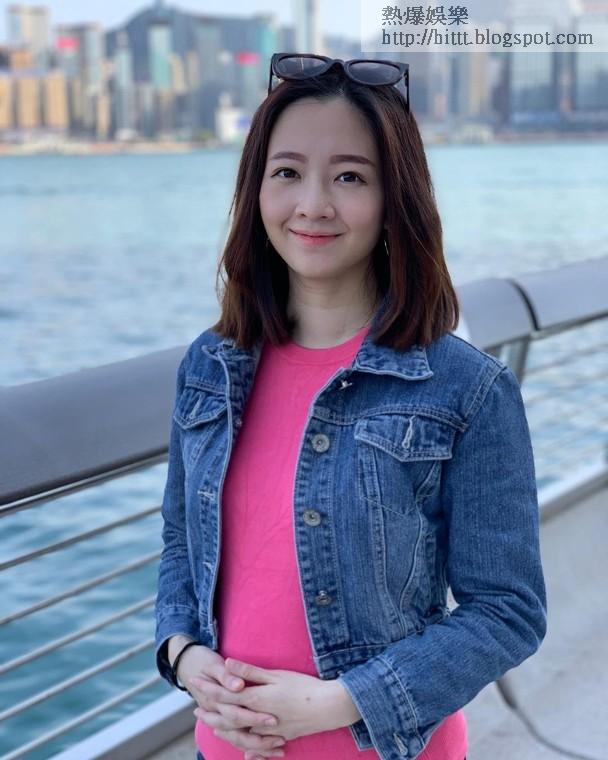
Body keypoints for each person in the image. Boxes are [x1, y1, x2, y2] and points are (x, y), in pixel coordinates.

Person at [154, 53, 547, 760]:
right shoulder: (210, 367)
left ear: (396, 197)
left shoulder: (467, 388)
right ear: (256, 189)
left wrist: (340, 702)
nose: (313, 204)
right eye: (287, 172)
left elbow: (508, 611)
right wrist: (184, 657)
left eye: (349, 177)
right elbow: (182, 546)